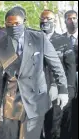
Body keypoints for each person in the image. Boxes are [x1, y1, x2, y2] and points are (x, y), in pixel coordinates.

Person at [0, 8, 68, 139]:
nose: (13, 27)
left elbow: (56, 65)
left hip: (35, 100)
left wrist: (63, 90)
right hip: (11, 102)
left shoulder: (39, 38)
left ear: (24, 22)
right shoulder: (0, 46)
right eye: (9, 24)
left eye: (17, 23)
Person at [39, 9, 76, 139]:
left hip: (56, 89)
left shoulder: (63, 41)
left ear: (54, 21)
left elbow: (70, 67)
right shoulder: (34, 39)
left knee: (54, 125)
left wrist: (69, 89)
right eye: (42, 18)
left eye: (48, 19)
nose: (44, 21)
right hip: (36, 91)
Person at [62, 10, 78, 139]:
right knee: (67, 113)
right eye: (69, 18)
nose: (72, 21)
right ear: (65, 21)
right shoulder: (60, 39)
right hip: (66, 82)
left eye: (74, 18)